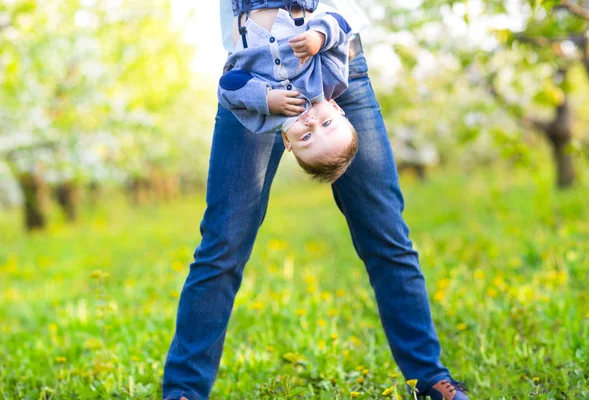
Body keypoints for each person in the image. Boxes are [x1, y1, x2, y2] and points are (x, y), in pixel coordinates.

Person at [162, 1, 470, 399]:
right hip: (253, 77)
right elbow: (230, 88)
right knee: (223, 244)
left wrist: (323, 35)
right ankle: (184, 392)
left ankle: (430, 380)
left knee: (386, 235)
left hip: (335, 65)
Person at [217, 6, 358, 182]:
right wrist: (319, 37)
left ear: (287, 141)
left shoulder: (261, 120)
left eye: (306, 137)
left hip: (248, 7)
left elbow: (226, 86)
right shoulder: (330, 79)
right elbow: (341, 24)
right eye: (327, 123)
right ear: (336, 107)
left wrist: (265, 99)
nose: (312, 123)